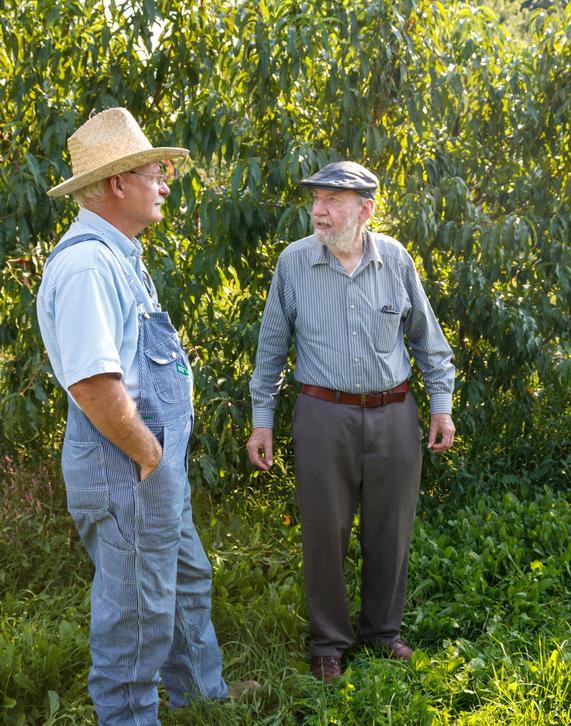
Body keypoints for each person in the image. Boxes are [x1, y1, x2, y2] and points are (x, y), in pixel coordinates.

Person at [37, 108, 254, 724]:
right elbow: (96, 384)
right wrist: (150, 455)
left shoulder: (120, 255)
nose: (165, 185)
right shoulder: (86, 266)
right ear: (117, 183)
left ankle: (200, 699)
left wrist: (163, 460)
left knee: (184, 583)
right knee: (134, 609)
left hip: (150, 464)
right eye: (156, 173)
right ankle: (130, 716)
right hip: (126, 464)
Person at [247, 160, 455, 683]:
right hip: (322, 415)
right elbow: (271, 349)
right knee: (325, 532)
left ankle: (383, 635)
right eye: (316, 200)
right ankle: (327, 645)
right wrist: (262, 420)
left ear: (366, 209)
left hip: (394, 415)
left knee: (391, 529)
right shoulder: (294, 264)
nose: (319, 210)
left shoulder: (396, 260)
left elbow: (427, 339)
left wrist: (441, 405)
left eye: (332, 201)